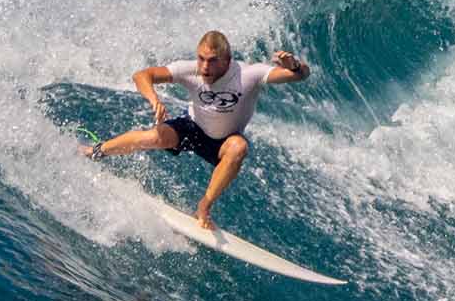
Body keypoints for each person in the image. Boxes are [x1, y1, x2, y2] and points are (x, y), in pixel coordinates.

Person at [83, 30, 311, 229]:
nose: (204, 67)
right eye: (201, 58)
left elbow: (300, 76)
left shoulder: (249, 74)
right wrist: (154, 99)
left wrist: (294, 65)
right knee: (155, 136)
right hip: (192, 127)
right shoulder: (190, 70)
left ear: (227, 60)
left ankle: (203, 207)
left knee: (239, 147)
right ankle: (96, 151)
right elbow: (142, 75)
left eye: (212, 61)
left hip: (223, 143)